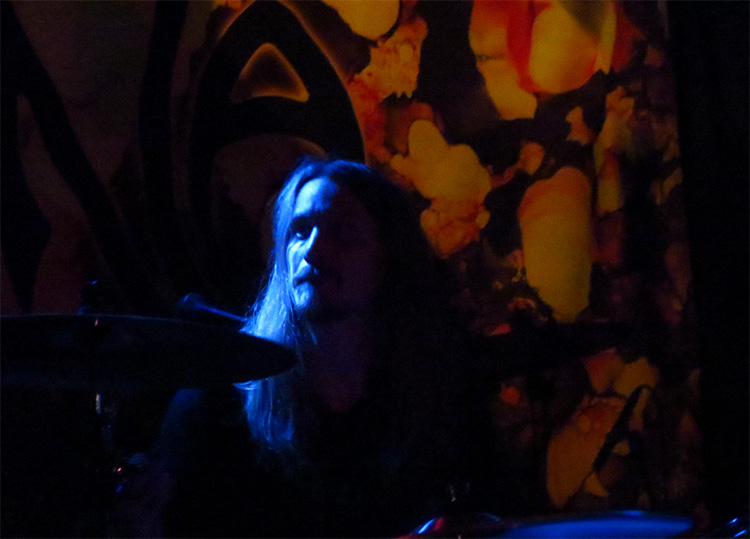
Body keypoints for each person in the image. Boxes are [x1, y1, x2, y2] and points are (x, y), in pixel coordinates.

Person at [150, 157, 502, 537]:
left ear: (389, 259)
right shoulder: (218, 399)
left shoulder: (442, 396)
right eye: (300, 231)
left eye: (344, 233)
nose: (313, 251)